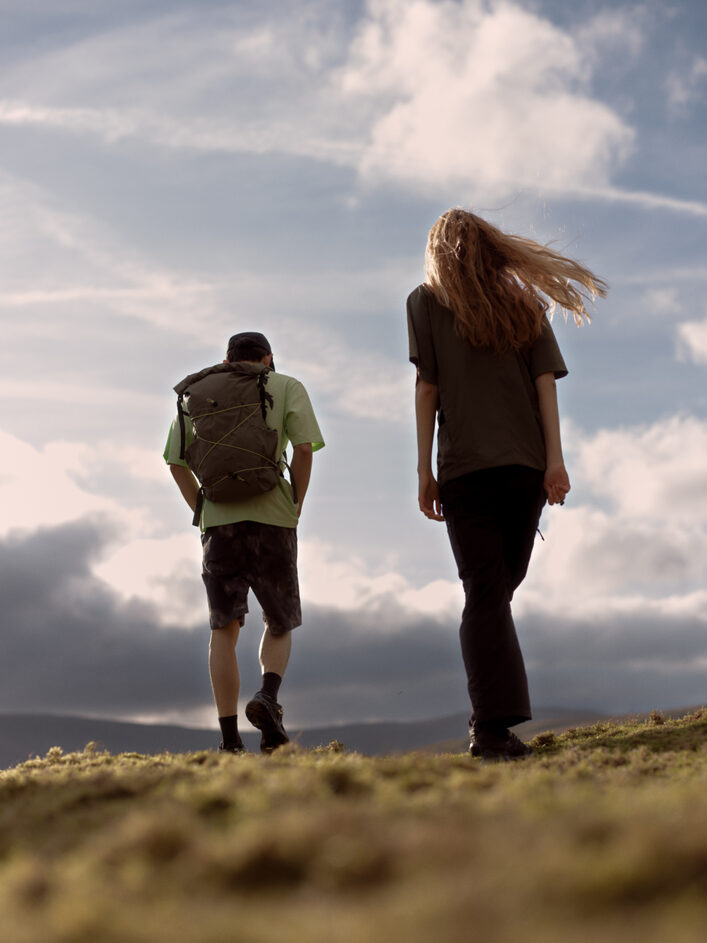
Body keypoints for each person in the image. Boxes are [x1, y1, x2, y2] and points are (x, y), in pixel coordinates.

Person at [407, 209, 606, 761]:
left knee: (490, 591)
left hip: (469, 468)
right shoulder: (517, 300)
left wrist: (424, 469)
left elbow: (427, 388)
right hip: (521, 468)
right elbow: (547, 388)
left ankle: (487, 724)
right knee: (491, 590)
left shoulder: (430, 301)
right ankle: (491, 728)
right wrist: (554, 461)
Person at [164, 331, 324, 754]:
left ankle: (230, 741)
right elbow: (305, 449)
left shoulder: (199, 393)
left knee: (224, 628)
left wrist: (200, 506)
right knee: (280, 620)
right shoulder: (285, 385)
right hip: (273, 518)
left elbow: (175, 461)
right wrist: (296, 502)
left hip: (218, 524)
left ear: (228, 360)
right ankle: (267, 696)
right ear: (267, 358)